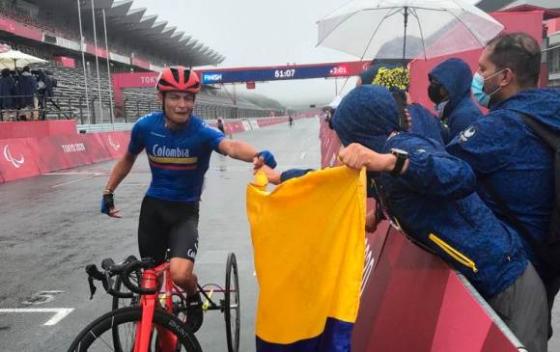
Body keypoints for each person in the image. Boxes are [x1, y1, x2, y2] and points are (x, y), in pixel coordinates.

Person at [259, 85, 548, 352]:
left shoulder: (402, 148)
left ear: (360, 132)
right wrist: (281, 177)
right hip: (481, 284)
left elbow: (459, 174)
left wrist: (392, 162)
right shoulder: (382, 163)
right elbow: (330, 180)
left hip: (508, 282)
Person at [100, 66, 276, 332]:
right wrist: (108, 191)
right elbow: (127, 158)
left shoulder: (201, 132)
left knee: (180, 274)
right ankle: (161, 334)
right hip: (153, 210)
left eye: (188, 98)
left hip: (184, 212)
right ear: (161, 98)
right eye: (175, 97)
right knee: (152, 285)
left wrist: (256, 155)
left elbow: (229, 147)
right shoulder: (145, 127)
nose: (182, 105)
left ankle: (193, 297)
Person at [446, 32, 560, 332]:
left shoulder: (500, 128)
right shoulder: (551, 108)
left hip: (513, 272)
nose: (478, 77)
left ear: (505, 76)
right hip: (549, 256)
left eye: (483, 69)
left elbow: (441, 172)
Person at [427, 58, 482, 143]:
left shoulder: (466, 116)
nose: (431, 87)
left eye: (436, 83)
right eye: (431, 82)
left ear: (451, 86)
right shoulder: (451, 109)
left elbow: (457, 152)